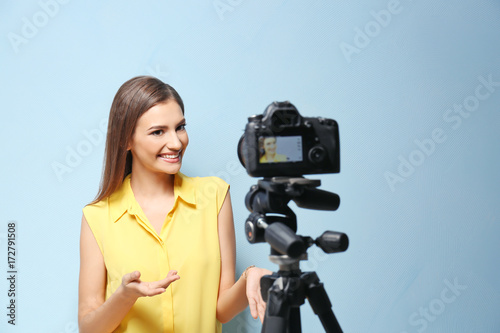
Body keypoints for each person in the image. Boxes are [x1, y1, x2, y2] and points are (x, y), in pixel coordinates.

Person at [78, 76, 272, 333]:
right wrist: (124, 296)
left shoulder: (214, 196)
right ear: (126, 140)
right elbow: (88, 328)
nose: (176, 142)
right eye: (158, 131)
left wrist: (249, 277)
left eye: (180, 127)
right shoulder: (98, 217)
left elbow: (222, 310)